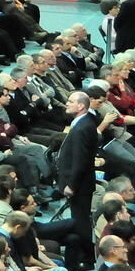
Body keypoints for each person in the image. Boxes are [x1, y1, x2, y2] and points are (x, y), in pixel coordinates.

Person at [56, 91, 98, 256]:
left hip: (79, 184)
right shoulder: (83, 123)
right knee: (80, 218)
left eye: (70, 101)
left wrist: (71, 185)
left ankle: (85, 256)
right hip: (81, 182)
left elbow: (81, 161)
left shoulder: (82, 128)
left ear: (81, 106)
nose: (67, 103)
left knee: (80, 220)